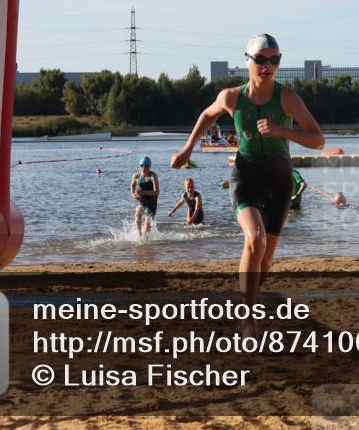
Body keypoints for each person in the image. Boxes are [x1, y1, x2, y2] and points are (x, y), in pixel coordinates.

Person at [171, 34, 325, 337]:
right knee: (255, 238)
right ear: (248, 61)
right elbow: (206, 115)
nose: (267, 65)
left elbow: (318, 139)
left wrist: (282, 131)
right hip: (246, 175)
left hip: (280, 180)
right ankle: (248, 319)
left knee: (265, 261)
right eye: (261, 59)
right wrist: (188, 148)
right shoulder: (231, 97)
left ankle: (249, 294)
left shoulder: (287, 97)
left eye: (274, 59)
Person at [130, 156, 159, 238]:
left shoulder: (153, 176)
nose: (144, 167)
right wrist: (133, 194)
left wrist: (143, 192)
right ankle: (139, 235)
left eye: (146, 165)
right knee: (137, 215)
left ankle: (145, 241)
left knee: (146, 227)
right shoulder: (137, 176)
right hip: (142, 200)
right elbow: (132, 185)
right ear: (139, 166)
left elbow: (156, 192)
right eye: (142, 165)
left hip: (152, 203)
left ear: (149, 166)